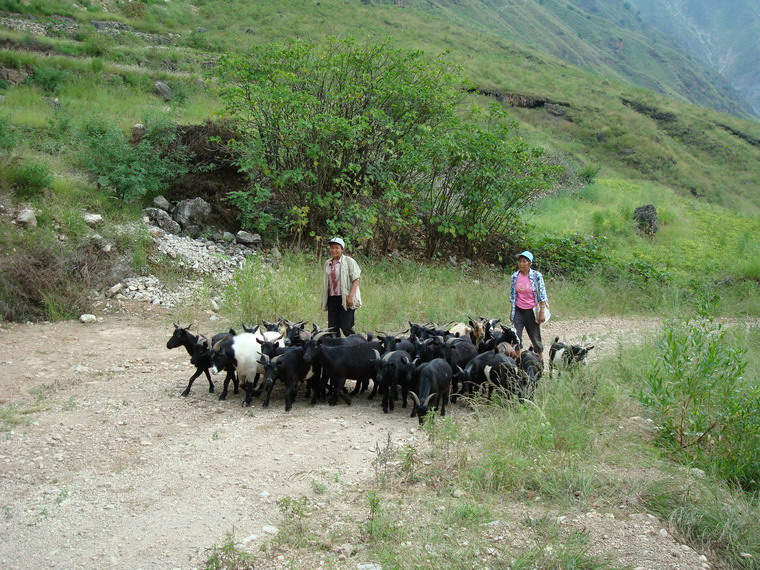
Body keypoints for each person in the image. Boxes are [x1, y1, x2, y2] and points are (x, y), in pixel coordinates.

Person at [509, 250, 548, 358]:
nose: (521, 264)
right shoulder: (515, 276)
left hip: (532, 310)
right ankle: (518, 363)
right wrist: (512, 312)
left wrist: (542, 311)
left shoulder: (536, 276)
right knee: (516, 337)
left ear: (529, 263)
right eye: (520, 261)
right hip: (519, 310)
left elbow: (542, 294)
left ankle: (540, 362)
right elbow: (513, 295)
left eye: (524, 261)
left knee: (535, 339)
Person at [321, 237, 362, 337]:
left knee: (346, 325)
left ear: (342, 249)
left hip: (346, 297)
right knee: (332, 327)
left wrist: (350, 296)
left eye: (337, 248)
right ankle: (337, 347)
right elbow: (327, 282)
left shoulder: (349, 261)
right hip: (332, 298)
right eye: (332, 248)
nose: (334, 250)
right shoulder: (328, 263)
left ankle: (357, 343)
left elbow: (356, 279)